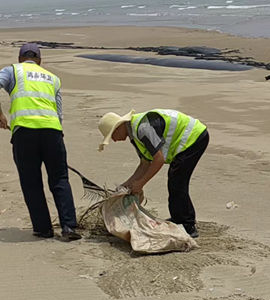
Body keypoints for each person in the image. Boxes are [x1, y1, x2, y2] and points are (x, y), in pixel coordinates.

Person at [0, 42, 80, 240]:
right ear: (40, 61)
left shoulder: (13, 71)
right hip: (52, 132)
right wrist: (58, 139)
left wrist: (0, 114)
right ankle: (69, 227)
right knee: (60, 179)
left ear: (20, 59)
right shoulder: (53, 78)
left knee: (31, 182)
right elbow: (58, 112)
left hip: (24, 133)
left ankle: (43, 229)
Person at [97, 109, 209, 238]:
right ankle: (180, 218)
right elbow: (145, 163)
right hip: (189, 139)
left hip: (194, 138)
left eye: (111, 136)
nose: (114, 140)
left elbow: (158, 160)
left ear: (118, 128)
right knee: (175, 180)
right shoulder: (134, 135)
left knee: (177, 182)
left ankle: (187, 225)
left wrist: (140, 184)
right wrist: (127, 184)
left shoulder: (142, 129)